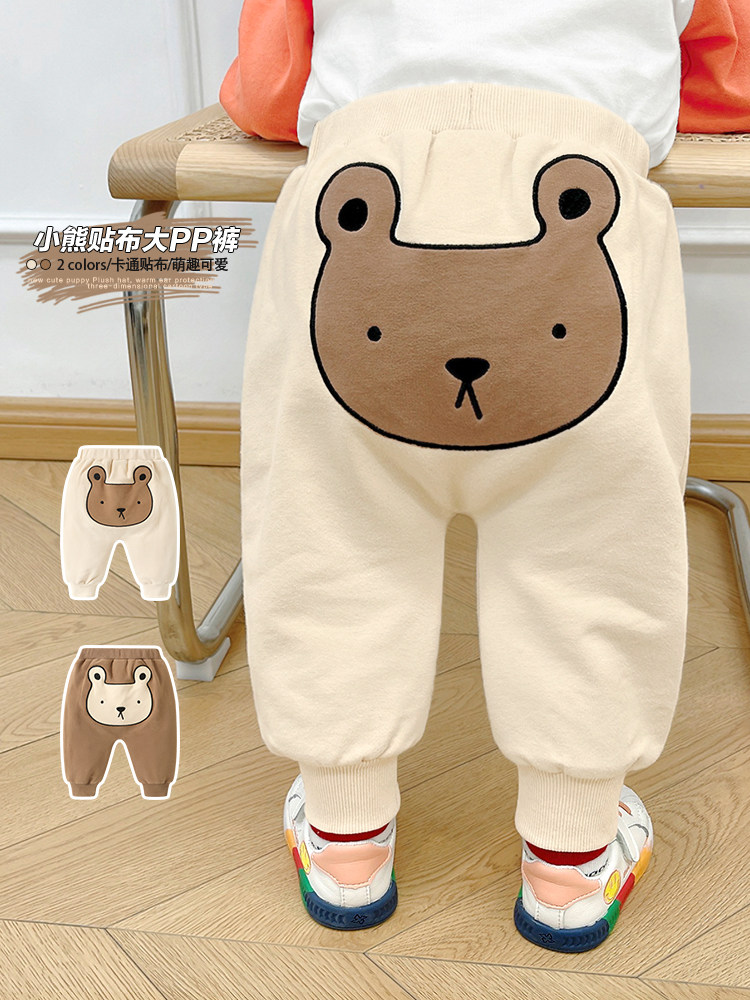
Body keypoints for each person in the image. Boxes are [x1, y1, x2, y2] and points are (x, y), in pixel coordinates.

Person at [220, 0, 745, 952]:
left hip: (360, 204)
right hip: (585, 206)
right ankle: (571, 863)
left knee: (333, 539)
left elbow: (267, 91)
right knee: (591, 558)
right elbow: (726, 81)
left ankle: (345, 841)